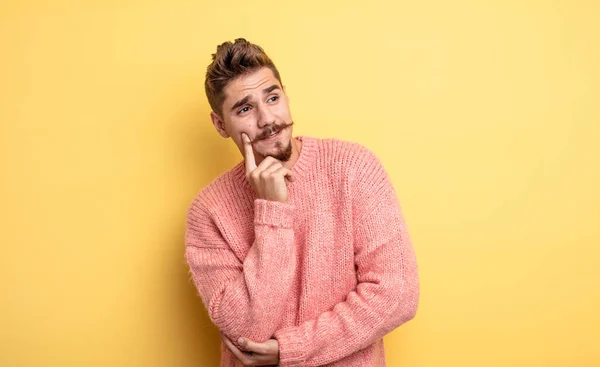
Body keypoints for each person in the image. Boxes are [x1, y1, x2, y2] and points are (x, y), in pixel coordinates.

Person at [185, 38, 420, 367]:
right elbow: (246, 331)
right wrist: (272, 212)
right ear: (220, 124)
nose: (267, 118)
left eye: (272, 97)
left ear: (286, 95)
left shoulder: (353, 167)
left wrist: (289, 349)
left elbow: (397, 293)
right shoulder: (208, 212)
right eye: (245, 108)